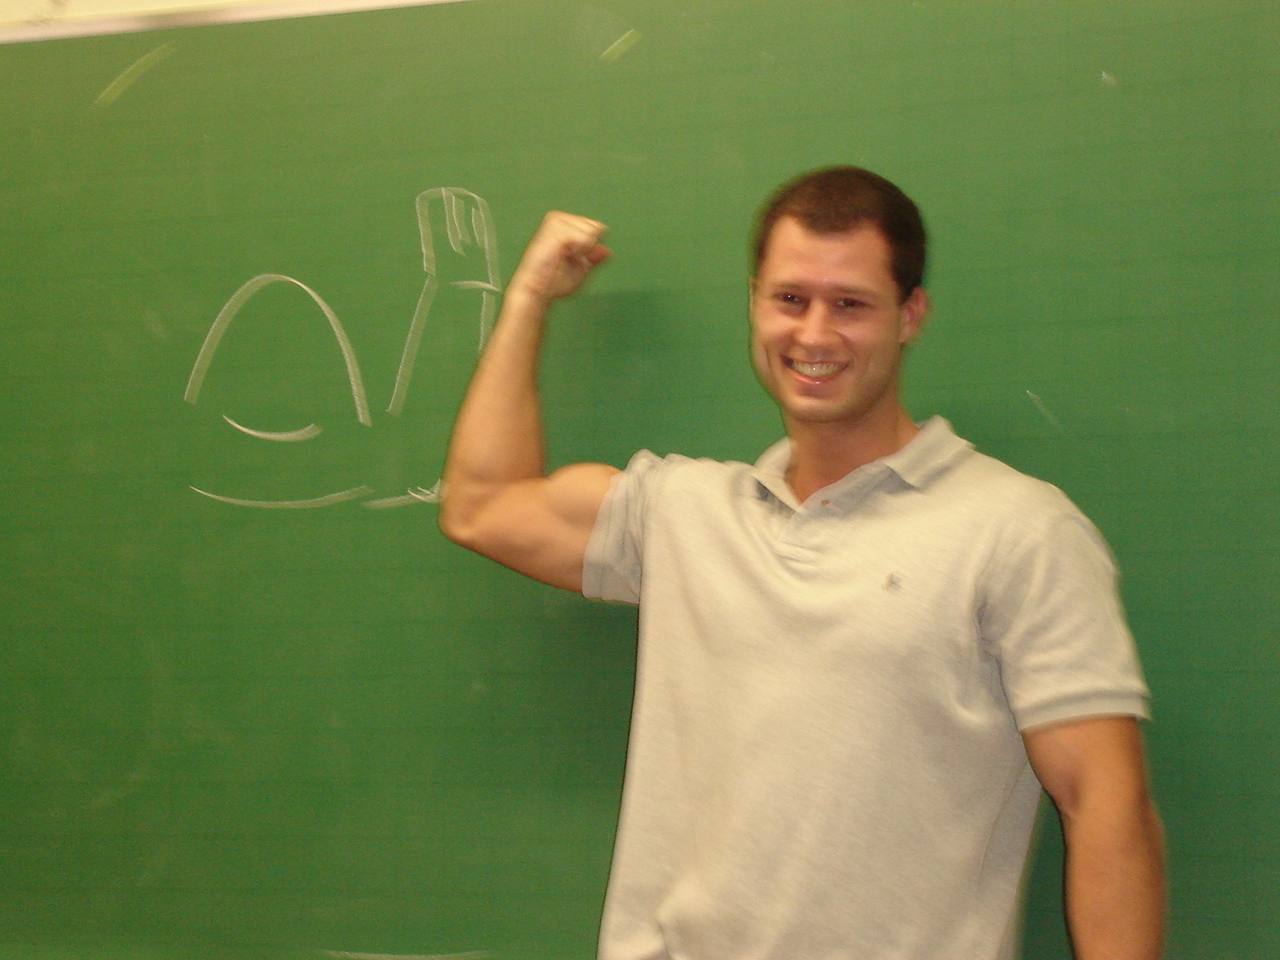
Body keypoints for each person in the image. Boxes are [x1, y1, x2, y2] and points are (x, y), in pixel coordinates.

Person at [438, 167, 1165, 960]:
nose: (814, 335)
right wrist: (529, 297)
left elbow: (1105, 806)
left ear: (910, 315)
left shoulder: (1019, 531)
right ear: (755, 303)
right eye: (790, 299)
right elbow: (483, 504)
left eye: (850, 304)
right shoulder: (683, 514)